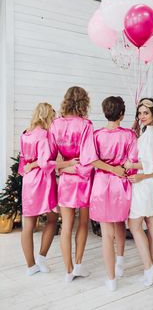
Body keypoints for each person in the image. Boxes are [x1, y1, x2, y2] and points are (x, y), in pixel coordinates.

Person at [49, 87, 125, 283]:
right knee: (82, 223)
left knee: (66, 226)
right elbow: (88, 157)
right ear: (84, 102)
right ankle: (79, 265)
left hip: (66, 179)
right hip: (83, 179)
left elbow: (48, 159)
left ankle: (68, 271)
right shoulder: (86, 124)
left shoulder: (55, 124)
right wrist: (75, 169)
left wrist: (62, 168)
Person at [89, 96, 138, 291]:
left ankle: (111, 279)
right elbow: (132, 163)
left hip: (101, 184)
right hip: (121, 183)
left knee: (106, 234)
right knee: (120, 224)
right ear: (122, 114)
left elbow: (91, 160)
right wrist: (119, 170)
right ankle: (120, 264)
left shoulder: (96, 135)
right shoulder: (130, 135)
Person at [124, 98, 153, 287]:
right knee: (152, 224)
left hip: (144, 181)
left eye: (145, 113)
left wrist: (131, 165)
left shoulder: (150, 134)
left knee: (135, 225)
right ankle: (152, 264)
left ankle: (148, 267)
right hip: (152, 182)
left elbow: (149, 162)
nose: (141, 116)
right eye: (139, 113)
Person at [18, 103, 58, 276]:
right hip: (43, 180)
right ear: (47, 116)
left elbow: (22, 163)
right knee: (52, 218)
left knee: (28, 225)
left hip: (28, 181)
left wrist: (27, 168)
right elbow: (44, 162)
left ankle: (31, 266)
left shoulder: (25, 133)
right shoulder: (44, 135)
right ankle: (42, 256)